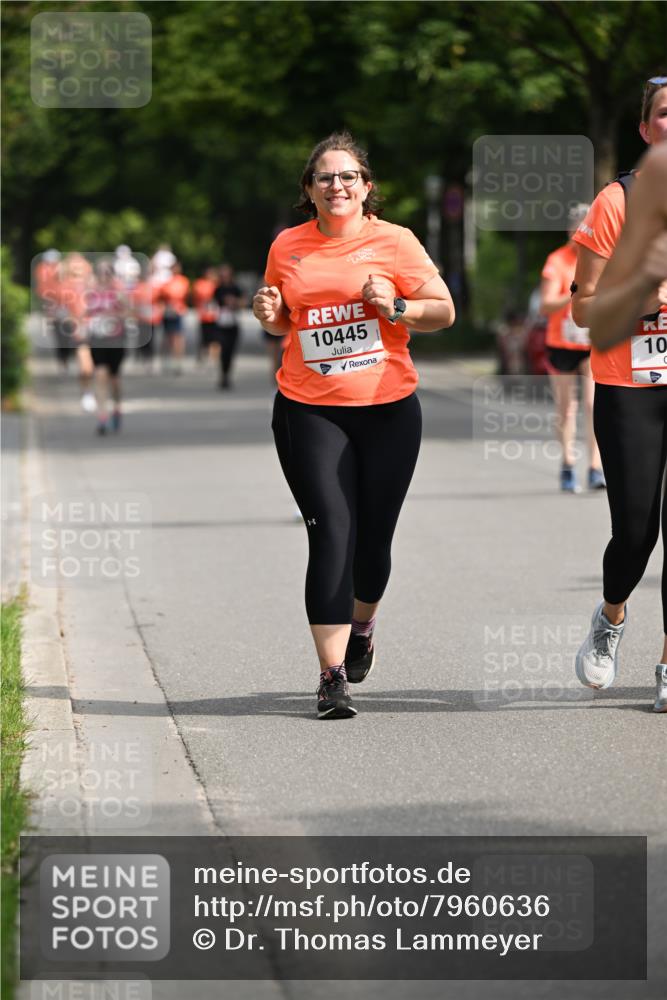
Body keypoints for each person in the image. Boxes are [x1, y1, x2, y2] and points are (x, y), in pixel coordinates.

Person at [253, 132, 455, 719]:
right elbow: (281, 318)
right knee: (332, 532)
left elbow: (442, 310)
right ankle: (331, 676)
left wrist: (395, 307)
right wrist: (269, 316)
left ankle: (362, 625)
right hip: (308, 408)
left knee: (374, 543)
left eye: (347, 177)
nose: (336, 186)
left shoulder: (395, 242)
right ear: (309, 191)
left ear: (367, 188)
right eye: (324, 178)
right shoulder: (288, 246)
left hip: (389, 408)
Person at [572, 76, 667, 713]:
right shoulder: (618, 201)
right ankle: (611, 616)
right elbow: (581, 309)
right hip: (629, 384)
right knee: (635, 533)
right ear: (645, 128)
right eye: (666, 114)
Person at [540, 203, 605, 492]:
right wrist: (576, 297)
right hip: (561, 342)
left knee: (594, 405)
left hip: (591, 342)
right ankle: (568, 464)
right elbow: (545, 304)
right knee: (566, 408)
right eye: (577, 226)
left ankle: (595, 467)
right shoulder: (557, 260)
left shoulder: (599, 258)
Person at [85, 260, 128, 435]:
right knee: (100, 375)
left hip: (116, 340)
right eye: (101, 273)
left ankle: (117, 407)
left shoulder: (118, 292)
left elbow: (128, 311)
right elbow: (83, 313)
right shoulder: (91, 293)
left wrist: (115, 315)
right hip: (98, 339)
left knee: (114, 380)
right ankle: (102, 417)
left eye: (107, 273)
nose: (104, 276)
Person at [214, 264, 245, 389]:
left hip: (233, 323)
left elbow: (243, 302)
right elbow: (213, 304)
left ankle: (227, 374)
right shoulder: (218, 289)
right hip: (221, 323)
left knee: (231, 351)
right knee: (223, 350)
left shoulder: (236, 288)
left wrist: (235, 302)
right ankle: (223, 374)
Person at [159, 261, 190, 374]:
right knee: (168, 337)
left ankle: (178, 361)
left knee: (178, 337)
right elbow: (161, 296)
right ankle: (168, 359)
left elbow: (184, 295)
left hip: (178, 311)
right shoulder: (167, 282)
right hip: (168, 312)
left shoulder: (183, 281)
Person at [192, 267, 221, 363]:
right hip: (204, 316)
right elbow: (197, 297)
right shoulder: (200, 284)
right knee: (204, 338)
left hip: (215, 316)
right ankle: (203, 356)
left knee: (216, 338)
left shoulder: (217, 285)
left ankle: (214, 358)